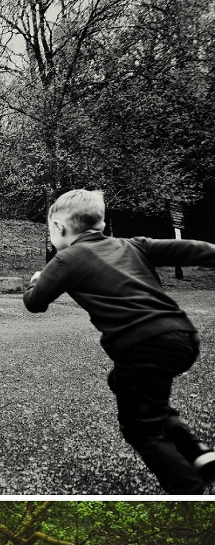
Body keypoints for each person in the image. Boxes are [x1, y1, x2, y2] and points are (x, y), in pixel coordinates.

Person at [23, 187, 215, 494]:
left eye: (50, 231)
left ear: (59, 227)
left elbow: (35, 303)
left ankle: (187, 489)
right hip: (181, 336)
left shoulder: (65, 259)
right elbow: (195, 249)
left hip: (142, 345)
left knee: (141, 428)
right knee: (126, 385)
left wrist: (36, 281)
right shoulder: (132, 245)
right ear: (99, 223)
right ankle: (198, 453)